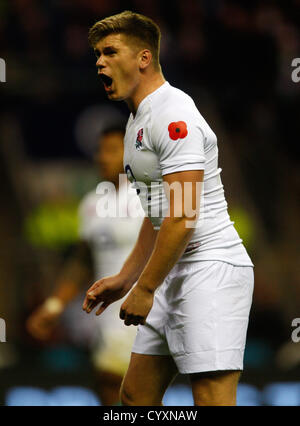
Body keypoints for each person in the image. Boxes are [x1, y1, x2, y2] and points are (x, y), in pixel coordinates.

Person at [83, 11, 254, 406]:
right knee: (134, 397)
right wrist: (127, 277)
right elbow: (159, 211)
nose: (99, 61)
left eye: (110, 51)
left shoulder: (173, 113)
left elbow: (182, 215)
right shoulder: (136, 120)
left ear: (144, 58)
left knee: (211, 398)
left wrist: (145, 287)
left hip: (210, 269)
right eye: (96, 53)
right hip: (171, 268)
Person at [26, 125, 144, 405]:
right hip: (106, 319)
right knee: (108, 388)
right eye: (100, 150)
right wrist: (54, 305)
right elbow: (82, 261)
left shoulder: (148, 197)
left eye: (112, 150)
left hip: (143, 311)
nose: (102, 157)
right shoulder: (91, 204)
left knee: (135, 393)